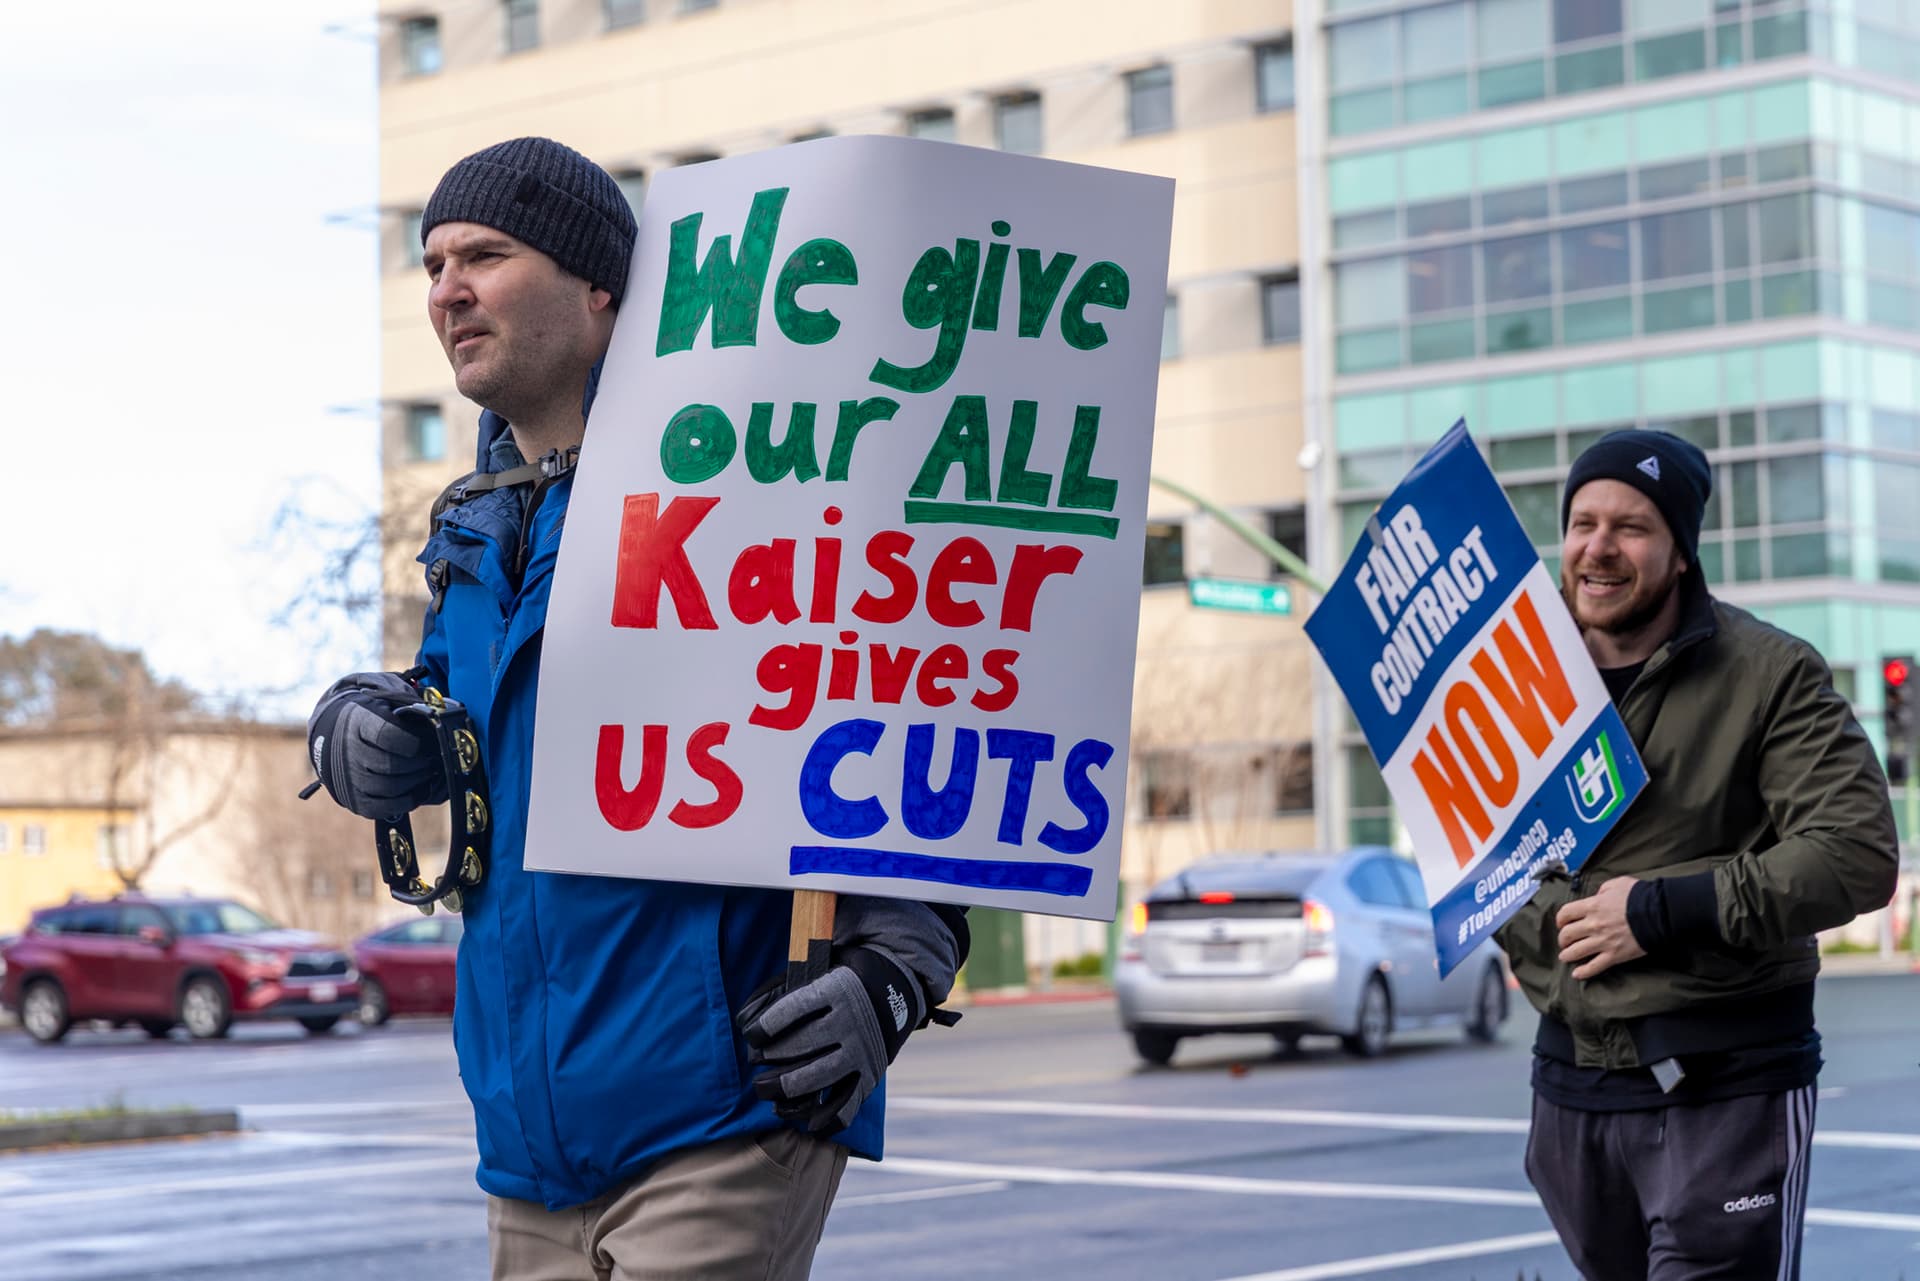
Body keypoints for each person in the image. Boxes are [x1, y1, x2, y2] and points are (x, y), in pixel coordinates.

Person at [305, 137, 969, 1281]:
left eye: (485, 256)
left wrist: (898, 964)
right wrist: (362, 725)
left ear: (599, 289)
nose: (447, 290)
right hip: (528, 1141)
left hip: (725, 1110)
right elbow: (444, 706)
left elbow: (899, 710)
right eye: (433, 264)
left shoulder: (748, 482)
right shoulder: (473, 528)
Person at [1494, 428, 1898, 1280]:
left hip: (1727, 1086)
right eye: (1582, 523)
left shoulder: (1770, 673)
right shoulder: (1516, 676)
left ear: (1681, 552)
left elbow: (1855, 853)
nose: (1598, 547)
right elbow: (1483, 853)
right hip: (1570, 1089)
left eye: (1631, 527)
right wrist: (1523, 927)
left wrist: (1656, 912)